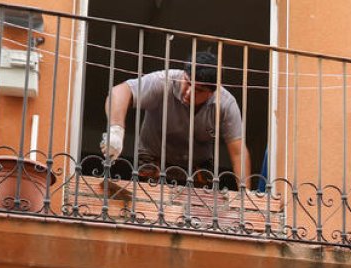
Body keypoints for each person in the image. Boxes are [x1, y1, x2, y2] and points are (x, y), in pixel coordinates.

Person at [100, 52, 249, 188]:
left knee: (202, 212)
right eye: (188, 82)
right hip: (153, 157)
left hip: (198, 165)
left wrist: (245, 198)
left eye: (199, 90)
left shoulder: (226, 103)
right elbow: (119, 91)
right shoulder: (164, 81)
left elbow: (238, 152)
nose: (189, 92)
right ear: (184, 74)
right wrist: (116, 130)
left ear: (212, 93)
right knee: (146, 207)